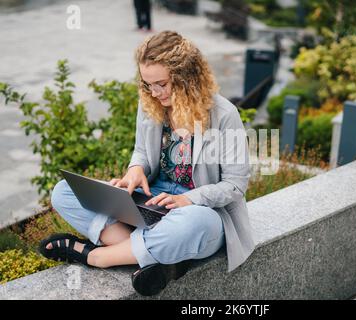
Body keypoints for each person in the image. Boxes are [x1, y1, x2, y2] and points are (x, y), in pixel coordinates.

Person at [39, 31, 256, 296]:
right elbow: (141, 151)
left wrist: (188, 199)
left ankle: (97, 256)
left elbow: (235, 184)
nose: (153, 92)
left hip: (200, 212)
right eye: (147, 84)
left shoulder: (224, 114)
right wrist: (135, 170)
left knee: (192, 225)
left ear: (186, 78)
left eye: (161, 84)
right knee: (64, 191)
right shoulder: (152, 102)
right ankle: (155, 254)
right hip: (151, 202)